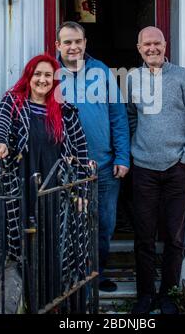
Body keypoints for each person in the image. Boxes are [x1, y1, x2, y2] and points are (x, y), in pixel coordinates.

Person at [127, 27, 185, 314]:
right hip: (143, 169)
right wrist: (138, 148)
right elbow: (131, 117)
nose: (152, 48)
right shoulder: (132, 78)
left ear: (165, 44)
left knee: (174, 237)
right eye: (146, 44)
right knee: (144, 236)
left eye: (157, 43)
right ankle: (145, 295)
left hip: (177, 168)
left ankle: (169, 295)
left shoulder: (183, 77)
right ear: (139, 48)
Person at [0, 54, 89, 283]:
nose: (42, 80)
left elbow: (81, 149)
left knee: (56, 239)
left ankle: (54, 292)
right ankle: (29, 290)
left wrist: (81, 192)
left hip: (56, 186)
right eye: (37, 74)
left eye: (47, 75)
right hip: (22, 183)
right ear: (29, 77)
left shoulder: (65, 111)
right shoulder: (13, 101)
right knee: (23, 239)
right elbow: (0, 122)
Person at [55, 21, 130, 292]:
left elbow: (118, 116)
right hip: (64, 167)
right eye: (67, 42)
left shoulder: (101, 71)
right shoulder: (47, 72)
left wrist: (122, 157)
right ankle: (70, 278)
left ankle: (95, 274)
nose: (73, 47)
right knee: (68, 224)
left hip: (104, 165)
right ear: (58, 46)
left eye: (78, 41)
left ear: (85, 43)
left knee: (103, 224)